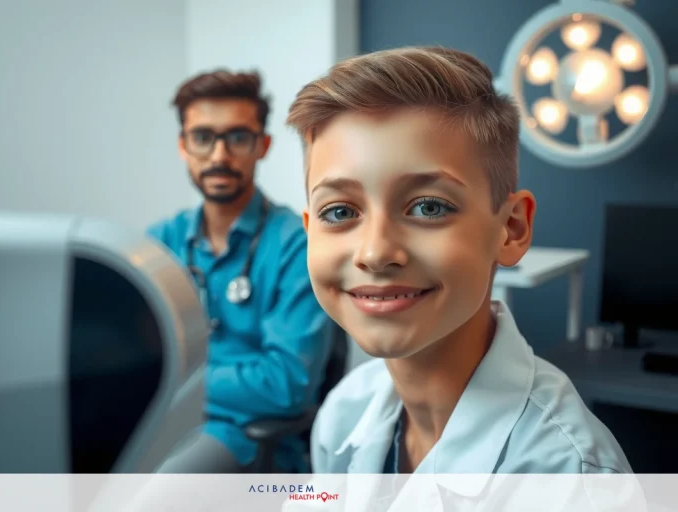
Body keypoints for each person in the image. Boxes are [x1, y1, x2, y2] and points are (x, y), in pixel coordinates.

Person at [285, 46, 632, 482]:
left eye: (428, 207)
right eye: (339, 212)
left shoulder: (569, 476)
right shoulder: (343, 411)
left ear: (511, 229)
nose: (374, 253)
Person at [146, 70, 334, 473]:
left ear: (262, 145)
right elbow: (129, 358)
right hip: (158, 428)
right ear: (183, 146)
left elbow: (286, 386)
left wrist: (169, 384)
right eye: (203, 137)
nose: (219, 156)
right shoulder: (157, 245)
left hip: (248, 446)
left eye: (237, 137)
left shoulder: (296, 245)